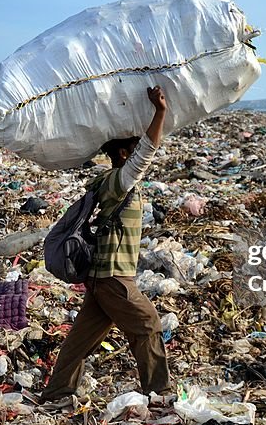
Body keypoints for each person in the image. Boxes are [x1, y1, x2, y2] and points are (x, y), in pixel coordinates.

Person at [39, 85, 174, 404]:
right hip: (114, 278)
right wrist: (160, 111)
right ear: (125, 155)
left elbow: (144, 152)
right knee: (148, 324)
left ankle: (57, 392)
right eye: (133, 148)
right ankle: (159, 392)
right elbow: (147, 151)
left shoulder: (109, 183)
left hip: (101, 280)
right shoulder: (118, 182)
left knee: (80, 340)